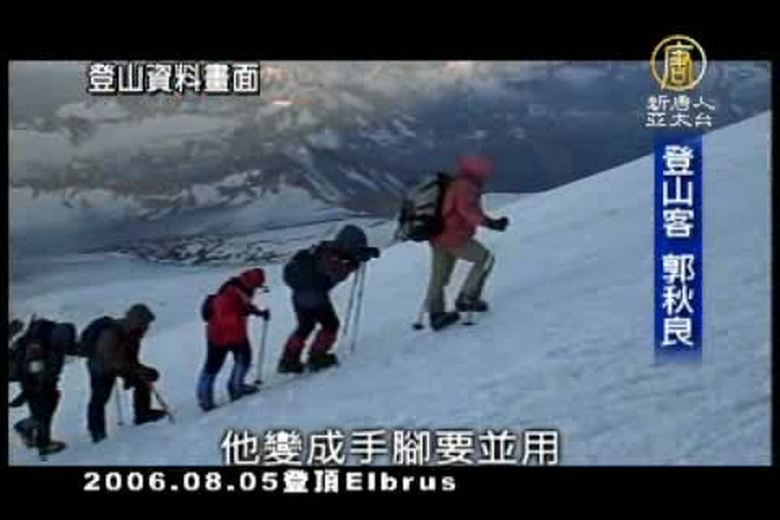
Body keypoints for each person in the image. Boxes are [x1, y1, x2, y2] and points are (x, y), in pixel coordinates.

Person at [278, 224, 380, 373]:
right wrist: (355, 262)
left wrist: (359, 255)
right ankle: (317, 357)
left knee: (305, 326)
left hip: (300, 294)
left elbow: (342, 261)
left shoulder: (327, 249)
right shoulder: (331, 257)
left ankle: (288, 360)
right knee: (330, 325)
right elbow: (337, 274)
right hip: (313, 295)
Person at [426, 155, 509, 330]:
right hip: (454, 236)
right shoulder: (467, 186)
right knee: (485, 258)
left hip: (436, 234)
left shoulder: (454, 182)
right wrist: (491, 223)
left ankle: (436, 314)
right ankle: (467, 297)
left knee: (439, 276)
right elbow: (467, 210)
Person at [85, 303, 165, 443]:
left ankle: (143, 414)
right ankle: (97, 431)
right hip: (100, 366)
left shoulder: (134, 333)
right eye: (145, 323)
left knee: (142, 380)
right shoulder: (111, 332)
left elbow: (131, 357)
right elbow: (109, 359)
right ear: (137, 320)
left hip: (118, 364)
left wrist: (139, 370)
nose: (147, 327)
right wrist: (134, 370)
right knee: (99, 398)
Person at [196, 268, 270, 411]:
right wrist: (233, 338)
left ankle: (205, 398)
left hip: (216, 333)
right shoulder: (231, 293)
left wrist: (257, 312)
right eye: (256, 285)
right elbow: (228, 315)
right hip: (228, 334)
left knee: (213, 365)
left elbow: (243, 306)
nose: (256, 289)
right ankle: (235, 388)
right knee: (241, 360)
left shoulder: (238, 287)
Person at [11, 318, 76, 457]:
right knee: (44, 413)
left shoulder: (50, 341)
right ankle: (43, 443)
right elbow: (34, 368)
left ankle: (29, 430)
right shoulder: (38, 346)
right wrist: (38, 385)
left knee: (45, 411)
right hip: (37, 384)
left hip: (41, 382)